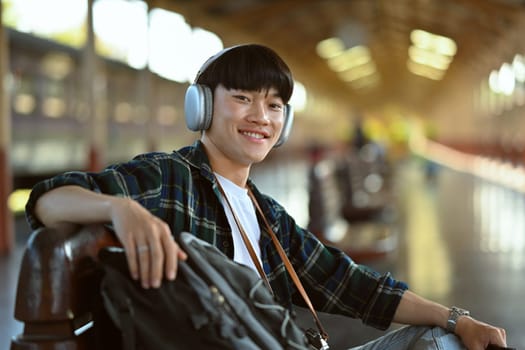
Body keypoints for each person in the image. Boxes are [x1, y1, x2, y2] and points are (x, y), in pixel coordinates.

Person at [25, 44, 507, 350]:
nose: (261, 115)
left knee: (443, 340)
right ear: (204, 107)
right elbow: (47, 199)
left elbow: (351, 284)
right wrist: (118, 206)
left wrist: (457, 317)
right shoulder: (172, 177)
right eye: (242, 98)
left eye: (274, 105)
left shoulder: (266, 213)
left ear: (285, 123)